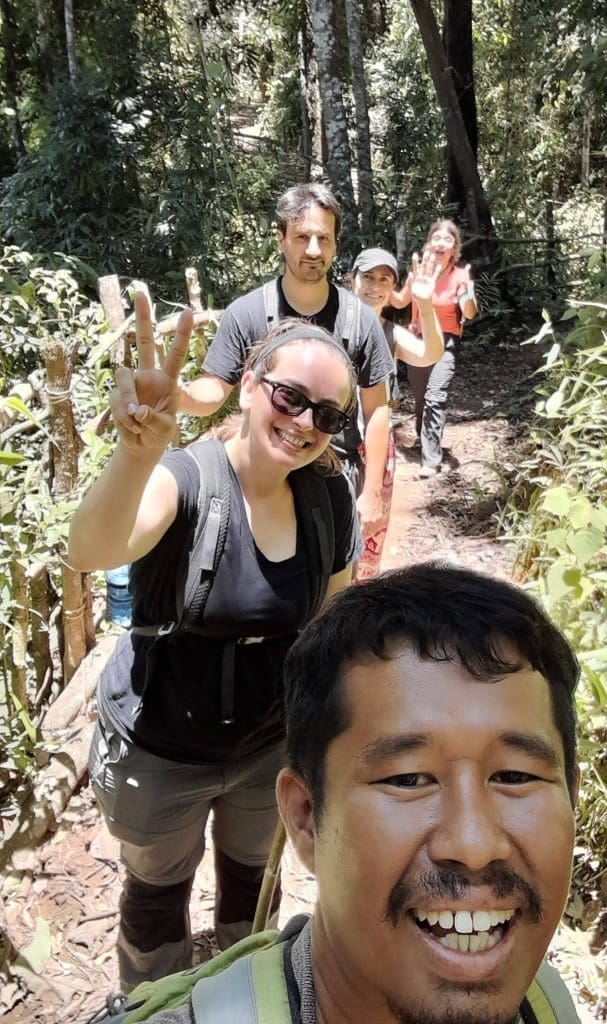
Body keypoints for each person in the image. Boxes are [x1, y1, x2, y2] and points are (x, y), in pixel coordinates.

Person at [134, 561, 580, 1024]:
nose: (473, 845)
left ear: (572, 797)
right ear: (306, 817)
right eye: (408, 780)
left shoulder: (546, 1004)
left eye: (515, 776)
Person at [67, 294, 361, 992]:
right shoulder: (186, 480)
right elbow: (90, 549)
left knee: (252, 886)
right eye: (290, 397)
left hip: (265, 748)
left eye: (327, 415)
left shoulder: (328, 500)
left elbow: (331, 629)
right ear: (250, 384)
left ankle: (247, 991)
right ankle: (154, 1003)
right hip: (159, 746)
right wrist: (137, 457)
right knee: (156, 893)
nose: (304, 423)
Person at [177, 182, 392, 535]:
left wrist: (371, 491)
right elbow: (215, 388)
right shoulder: (247, 313)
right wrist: (179, 396)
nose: (313, 249)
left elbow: (377, 409)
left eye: (323, 239)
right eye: (302, 237)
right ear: (281, 239)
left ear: (335, 244)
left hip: (335, 477)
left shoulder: (360, 321)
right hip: (258, 479)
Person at [350, 246, 444, 578]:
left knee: (370, 531)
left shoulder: (390, 333)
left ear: (393, 290)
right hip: (331, 442)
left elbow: (430, 353)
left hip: (376, 444)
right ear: (352, 280)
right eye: (368, 277)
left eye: (384, 280)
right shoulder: (331, 324)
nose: (375, 286)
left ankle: (358, 597)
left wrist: (426, 305)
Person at [391, 219, 478, 478]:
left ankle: (431, 459)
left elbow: (469, 314)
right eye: (436, 238)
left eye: (447, 239)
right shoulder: (420, 272)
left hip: (447, 342)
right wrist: (375, 287)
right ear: (430, 243)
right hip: (418, 341)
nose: (441, 243)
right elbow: (400, 302)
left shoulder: (459, 276)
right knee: (421, 397)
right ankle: (424, 437)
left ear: (454, 248)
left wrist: (468, 292)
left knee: (435, 396)